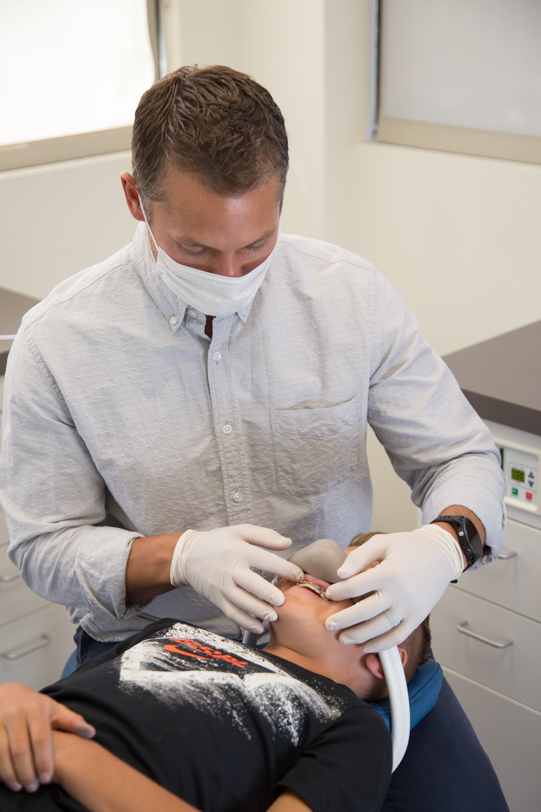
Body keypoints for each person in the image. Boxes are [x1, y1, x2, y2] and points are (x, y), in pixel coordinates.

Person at [0, 65, 508, 810]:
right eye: (198, 252)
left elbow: (459, 455)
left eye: (256, 245)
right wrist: (177, 556)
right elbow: (43, 547)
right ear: (136, 199)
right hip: (160, 659)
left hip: (343, 664)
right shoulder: (59, 344)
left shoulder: (348, 296)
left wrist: (444, 544)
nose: (232, 275)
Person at [0, 560, 434, 812]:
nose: (325, 576)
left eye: (359, 590)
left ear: (382, 656)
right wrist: (16, 701)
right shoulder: (174, 631)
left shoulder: (353, 728)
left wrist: (69, 757)